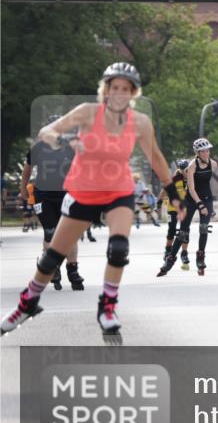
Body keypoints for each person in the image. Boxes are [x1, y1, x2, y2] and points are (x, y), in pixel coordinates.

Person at [2, 62, 183, 338]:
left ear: (133, 93)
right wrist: (65, 142)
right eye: (115, 88)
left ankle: (107, 307)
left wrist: (173, 193)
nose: (120, 93)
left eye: (126, 89)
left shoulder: (140, 123)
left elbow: (155, 157)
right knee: (52, 257)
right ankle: (27, 304)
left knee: (119, 247)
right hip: (83, 190)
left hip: (119, 190)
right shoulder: (88, 113)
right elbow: (46, 132)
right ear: (106, 90)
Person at [20, 114, 86, 290]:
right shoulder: (38, 148)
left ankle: (73, 270)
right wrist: (23, 190)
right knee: (50, 232)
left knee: (70, 234)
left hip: (67, 195)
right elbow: (27, 169)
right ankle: (53, 267)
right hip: (44, 196)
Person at [157, 138, 218, 277]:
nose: (206, 153)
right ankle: (170, 260)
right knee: (183, 232)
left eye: (207, 150)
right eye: (203, 151)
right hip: (191, 200)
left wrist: (207, 205)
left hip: (207, 198)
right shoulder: (192, 166)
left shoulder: (213, 164)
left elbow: (207, 182)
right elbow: (191, 189)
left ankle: (200, 258)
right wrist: (200, 204)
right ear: (197, 152)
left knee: (204, 228)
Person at [159, 159, 191, 268]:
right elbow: (164, 190)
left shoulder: (192, 179)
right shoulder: (174, 179)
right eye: (186, 170)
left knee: (185, 231)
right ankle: (168, 250)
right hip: (172, 208)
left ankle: (184, 253)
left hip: (185, 209)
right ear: (181, 170)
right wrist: (159, 202)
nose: (188, 172)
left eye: (189, 170)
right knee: (172, 229)